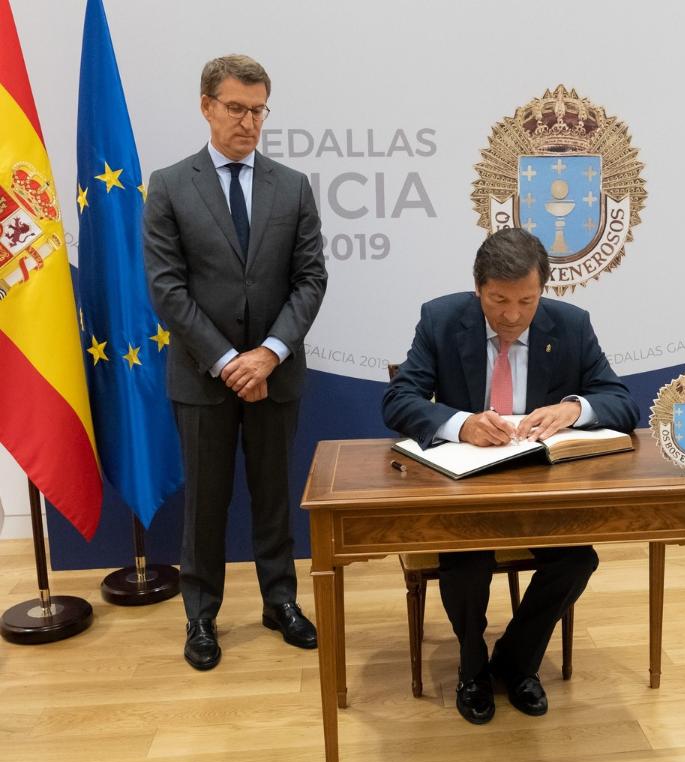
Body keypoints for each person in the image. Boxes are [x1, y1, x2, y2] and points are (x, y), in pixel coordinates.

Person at [382, 227, 638, 723]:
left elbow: (621, 401)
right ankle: (472, 669)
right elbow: (398, 399)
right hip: (466, 490)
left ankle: (517, 660)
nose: (513, 315)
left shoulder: (571, 325)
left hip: (542, 492)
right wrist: (461, 423)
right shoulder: (440, 320)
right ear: (478, 288)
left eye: (527, 300)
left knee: (577, 559)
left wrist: (573, 408)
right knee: (466, 564)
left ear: (542, 290)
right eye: (498, 300)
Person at [144, 55, 328, 670]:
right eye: (236, 108)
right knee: (206, 502)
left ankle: (281, 602)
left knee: (274, 495)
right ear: (207, 106)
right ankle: (201, 615)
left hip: (276, 373)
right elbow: (167, 288)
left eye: (258, 110)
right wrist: (228, 361)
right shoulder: (170, 185)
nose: (249, 122)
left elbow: (310, 279)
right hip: (203, 377)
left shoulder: (292, 186)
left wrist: (268, 354)